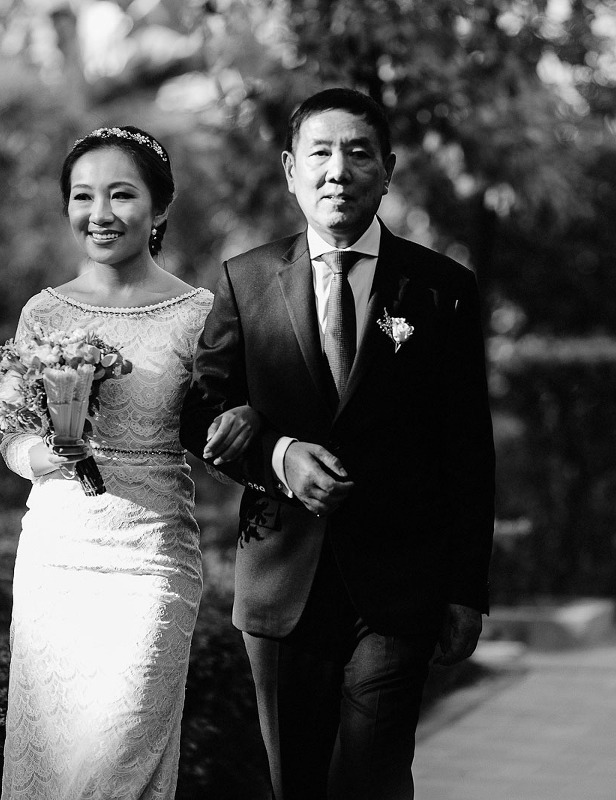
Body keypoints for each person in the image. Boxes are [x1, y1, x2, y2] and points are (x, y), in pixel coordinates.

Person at [181, 88, 496, 800]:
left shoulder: (441, 289)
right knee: (295, 783)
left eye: (358, 152)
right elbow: (200, 411)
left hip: (400, 583)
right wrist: (278, 455)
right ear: (291, 169)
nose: (338, 169)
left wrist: (465, 590)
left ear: (386, 169)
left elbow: (468, 449)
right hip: (283, 583)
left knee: (371, 777)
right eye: (320, 152)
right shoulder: (245, 279)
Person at [0, 125, 256, 799]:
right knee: (51, 764)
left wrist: (243, 428)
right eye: (83, 196)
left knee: (119, 757)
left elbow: (221, 430)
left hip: (151, 559)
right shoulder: (43, 312)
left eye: (121, 194)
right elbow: (12, 439)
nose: (100, 214)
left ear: (160, 208)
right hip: (56, 556)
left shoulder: (200, 313)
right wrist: (42, 455)